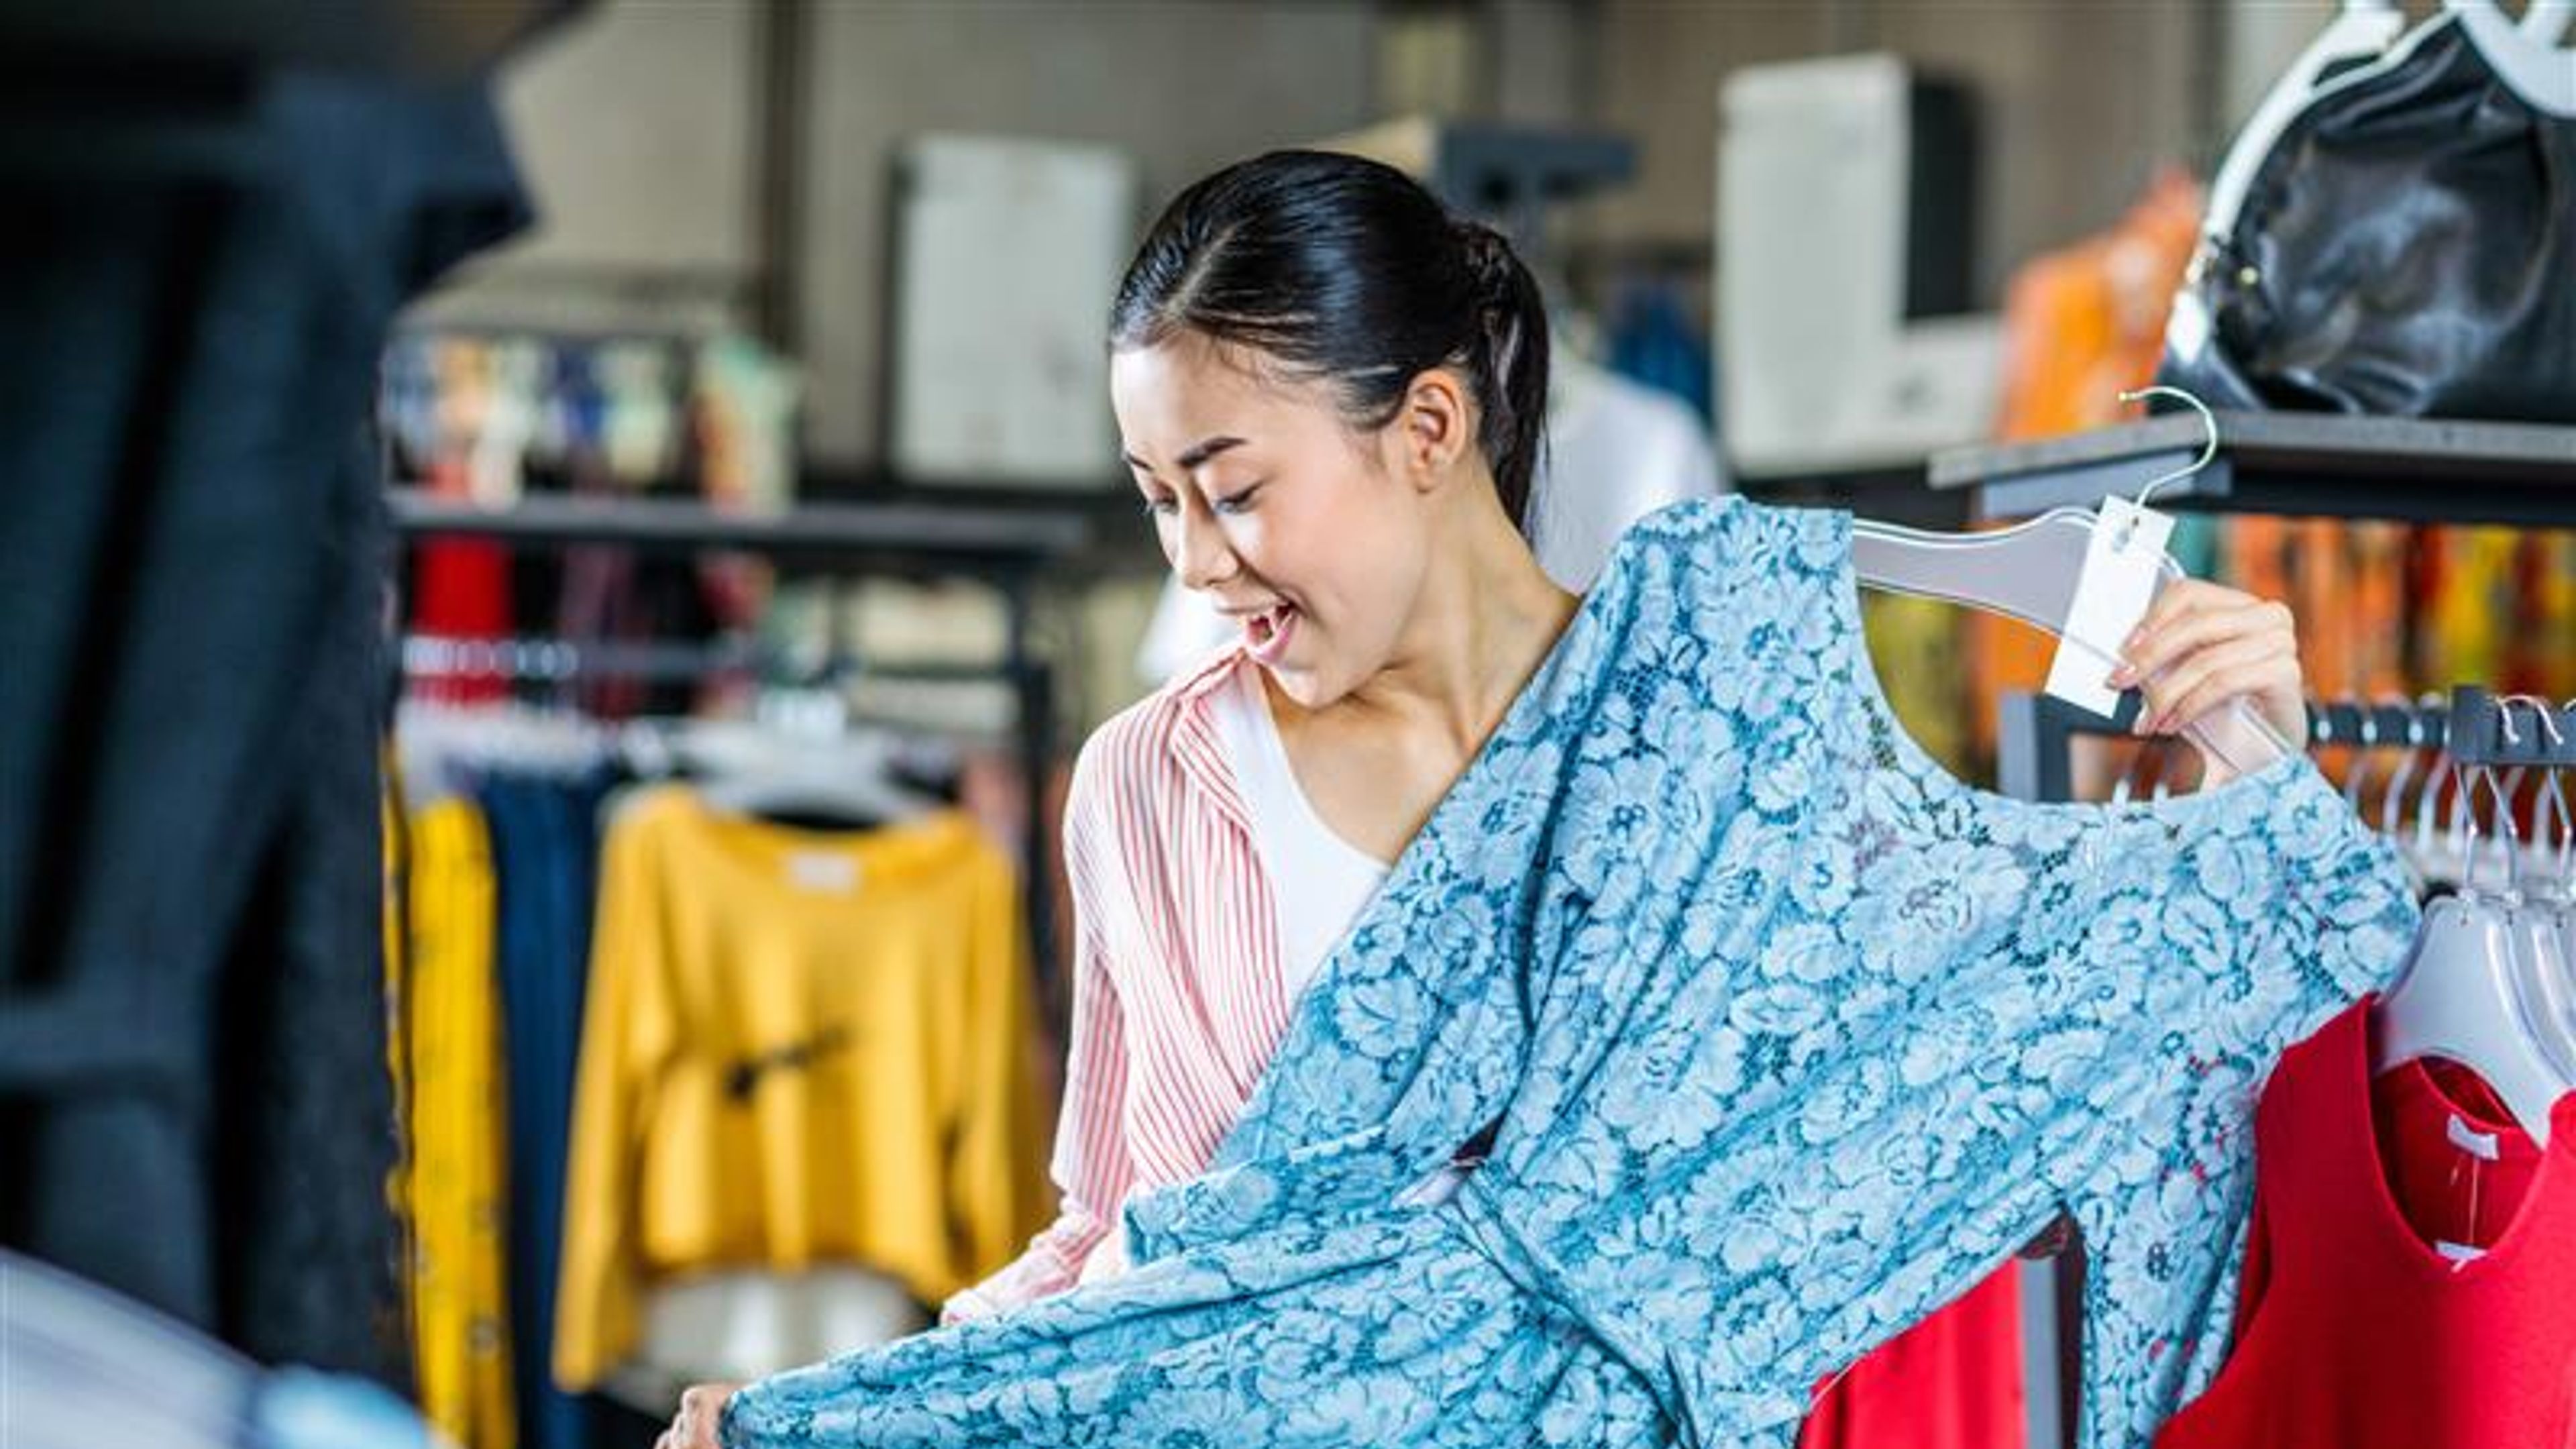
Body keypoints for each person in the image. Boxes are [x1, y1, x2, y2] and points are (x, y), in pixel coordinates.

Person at [657, 148, 2309, 1449]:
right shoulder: (1157, 786)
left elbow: (1987, 1083)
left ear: (1428, 425)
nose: (1192, 562)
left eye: (1234, 493)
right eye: (1157, 499)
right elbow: (1126, 1250)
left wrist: (2256, 785)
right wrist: (848, 1417)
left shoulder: (1721, 727)